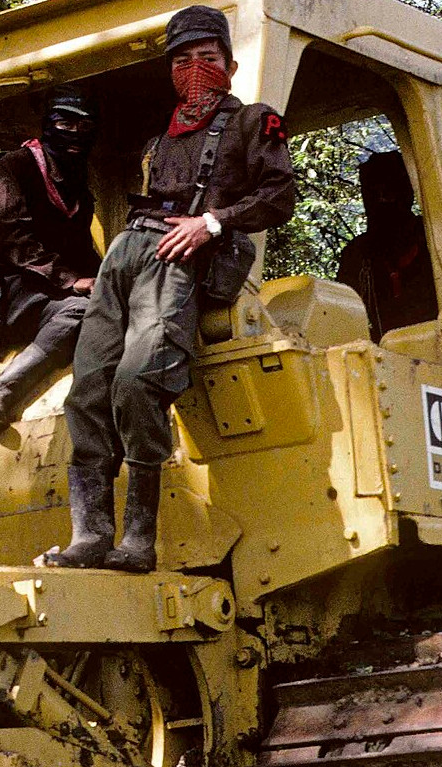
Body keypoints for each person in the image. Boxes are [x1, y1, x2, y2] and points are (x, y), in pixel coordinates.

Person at [49, 5, 295, 572]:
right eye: (182, 61)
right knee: (88, 387)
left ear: (229, 65)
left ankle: (139, 538)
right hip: (127, 253)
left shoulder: (253, 121)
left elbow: (279, 196)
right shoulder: (165, 132)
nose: (195, 70)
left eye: (207, 58)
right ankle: (90, 534)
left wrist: (212, 222)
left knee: (138, 383)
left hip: (179, 258)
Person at [0, 87, 102, 433]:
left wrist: (109, 280)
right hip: (9, 292)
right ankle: (0, 394)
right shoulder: (15, 167)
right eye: (65, 124)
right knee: (82, 310)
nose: (74, 134)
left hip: (47, 293)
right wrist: (74, 281)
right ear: (47, 125)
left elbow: (83, 250)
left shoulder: (78, 188)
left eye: (83, 128)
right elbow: (15, 242)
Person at [334, 151, 437, 340]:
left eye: (388, 193)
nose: (381, 201)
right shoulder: (357, 256)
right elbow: (341, 322)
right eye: (373, 194)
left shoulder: (438, 240)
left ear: (407, 193)